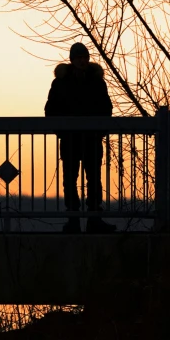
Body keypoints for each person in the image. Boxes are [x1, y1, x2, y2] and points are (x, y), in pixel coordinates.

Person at [44, 42, 113, 231]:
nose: (82, 61)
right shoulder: (60, 82)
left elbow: (106, 109)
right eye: (79, 58)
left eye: (85, 57)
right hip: (70, 140)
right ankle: (74, 218)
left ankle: (93, 218)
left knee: (94, 178)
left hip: (91, 139)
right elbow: (51, 110)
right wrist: (63, 132)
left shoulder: (97, 81)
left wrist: (99, 131)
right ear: (72, 60)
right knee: (70, 179)